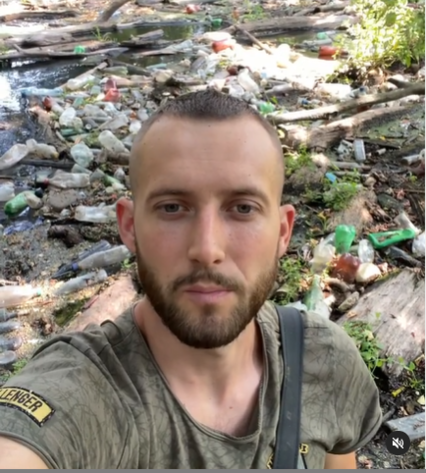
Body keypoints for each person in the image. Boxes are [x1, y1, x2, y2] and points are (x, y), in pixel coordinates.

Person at [0, 90, 382, 469]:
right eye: (172, 208)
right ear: (129, 227)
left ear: (283, 232)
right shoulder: (82, 393)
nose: (207, 248)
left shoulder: (324, 361)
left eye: (242, 208)